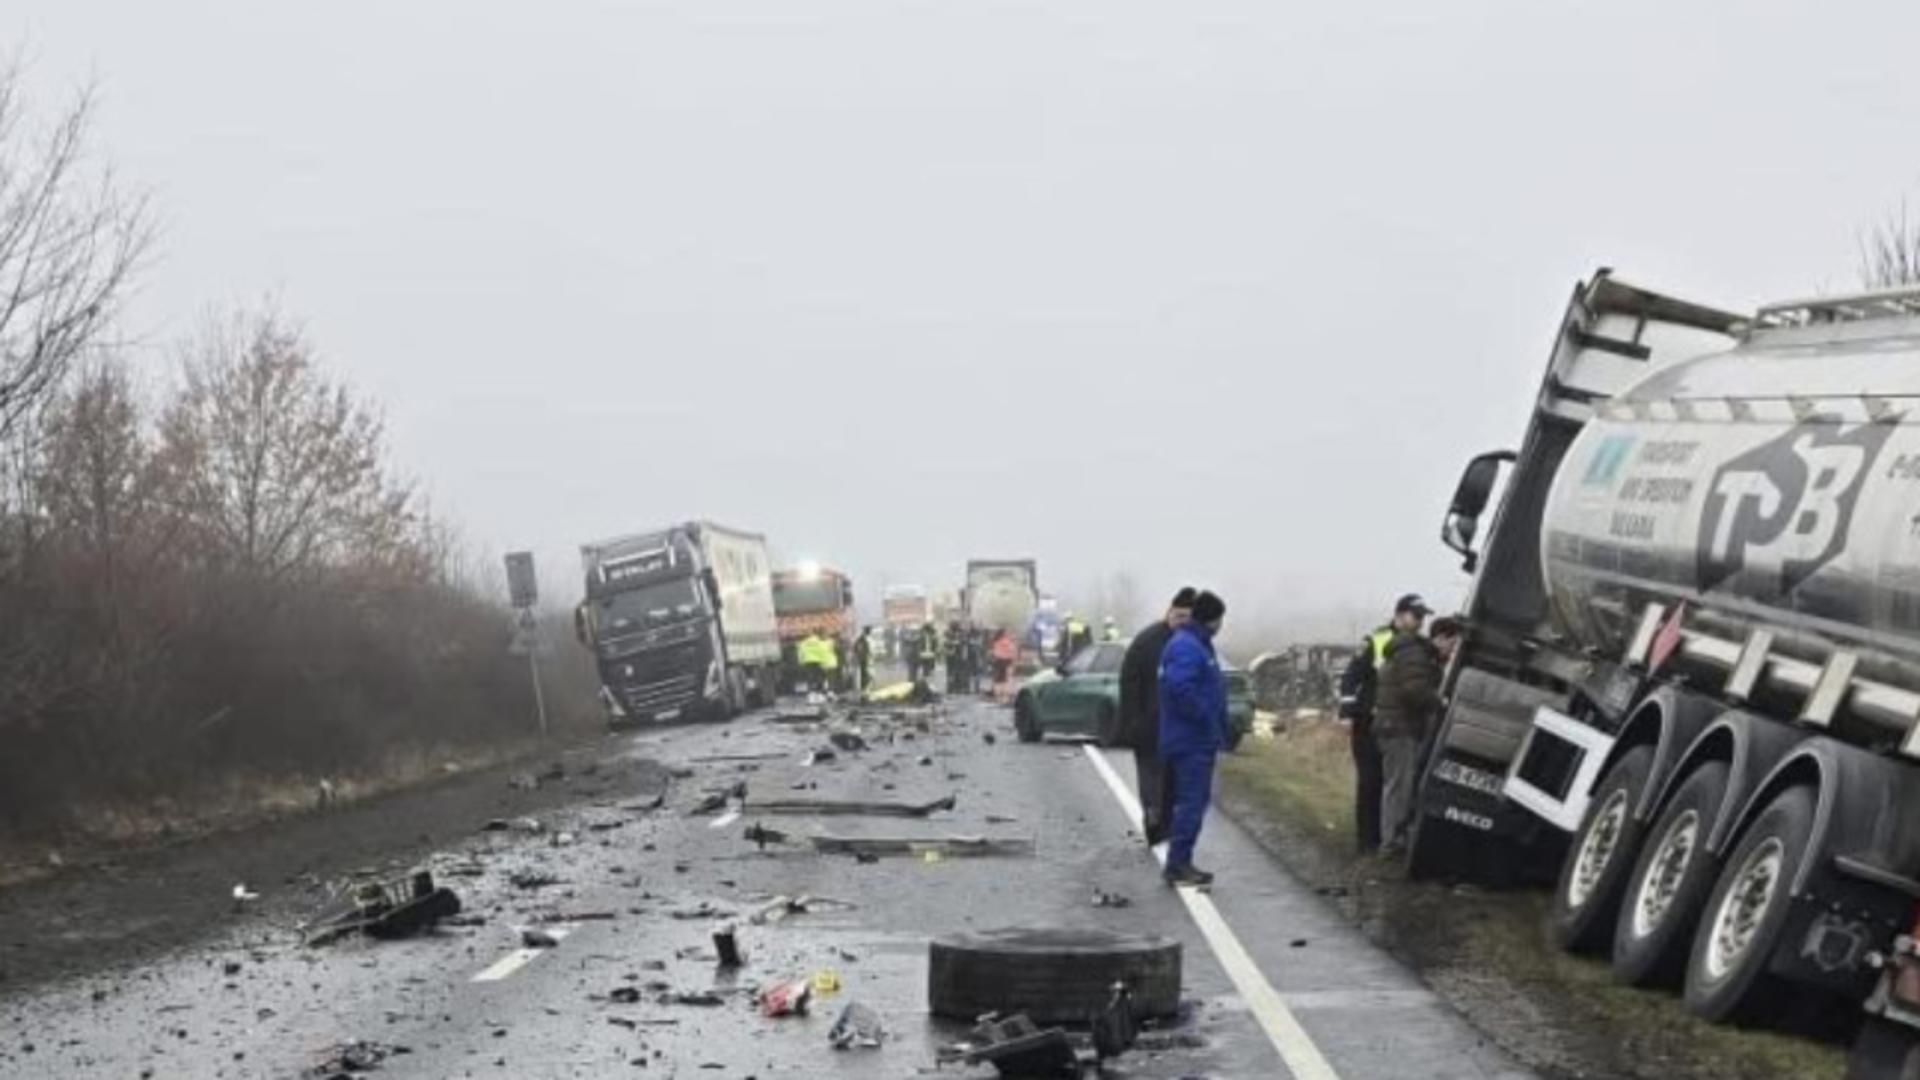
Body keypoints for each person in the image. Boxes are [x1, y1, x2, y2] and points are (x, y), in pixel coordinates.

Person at [1337, 594, 1431, 854]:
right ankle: (1367, 841)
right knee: (1370, 781)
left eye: (1422, 617)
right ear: (1399, 615)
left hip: (1394, 723)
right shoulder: (1376, 640)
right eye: (1416, 616)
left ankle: (1386, 837)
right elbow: (1350, 678)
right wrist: (1347, 712)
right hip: (1367, 721)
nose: (1420, 621)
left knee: (1393, 782)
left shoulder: (1419, 646)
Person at [1376, 615, 1463, 857]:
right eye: (1453, 644)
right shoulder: (1417, 656)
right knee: (1399, 785)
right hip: (1399, 727)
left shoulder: (1419, 655)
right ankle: (1391, 842)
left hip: (1393, 725)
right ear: (1441, 638)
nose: (1454, 650)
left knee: (1398, 783)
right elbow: (1414, 690)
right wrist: (1441, 702)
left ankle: (1394, 837)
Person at [1158, 590, 1228, 887]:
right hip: (1190, 740)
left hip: (1195, 738)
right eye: (1220, 619)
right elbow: (1180, 688)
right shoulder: (1188, 647)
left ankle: (1181, 860)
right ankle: (1178, 864)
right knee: (1192, 802)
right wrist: (1205, 718)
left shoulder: (1197, 643)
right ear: (1211, 619)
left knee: (1194, 801)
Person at [1120, 587, 1197, 847]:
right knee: (1151, 776)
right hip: (1149, 725)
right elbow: (1129, 683)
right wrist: (1131, 721)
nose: (1182, 622)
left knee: (1173, 780)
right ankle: (1153, 819)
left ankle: (1164, 823)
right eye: (1179, 616)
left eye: (1188, 617)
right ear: (1169, 612)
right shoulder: (1146, 642)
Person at [988, 628, 1018, 702]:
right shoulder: (1007, 641)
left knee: (999, 679)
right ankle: (1004, 696)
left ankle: (998, 695)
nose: (1009, 634)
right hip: (1007, 660)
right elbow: (1013, 651)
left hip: (999, 660)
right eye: (1008, 632)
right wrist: (1013, 658)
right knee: (1006, 679)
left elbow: (994, 652)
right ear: (1004, 634)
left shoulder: (996, 641)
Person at [852, 626, 874, 696]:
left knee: (870, 674)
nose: (870, 632)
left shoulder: (869, 638)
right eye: (869, 630)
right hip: (864, 659)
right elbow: (856, 648)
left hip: (869, 659)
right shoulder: (861, 639)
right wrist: (860, 655)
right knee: (866, 674)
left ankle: (867, 689)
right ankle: (864, 689)